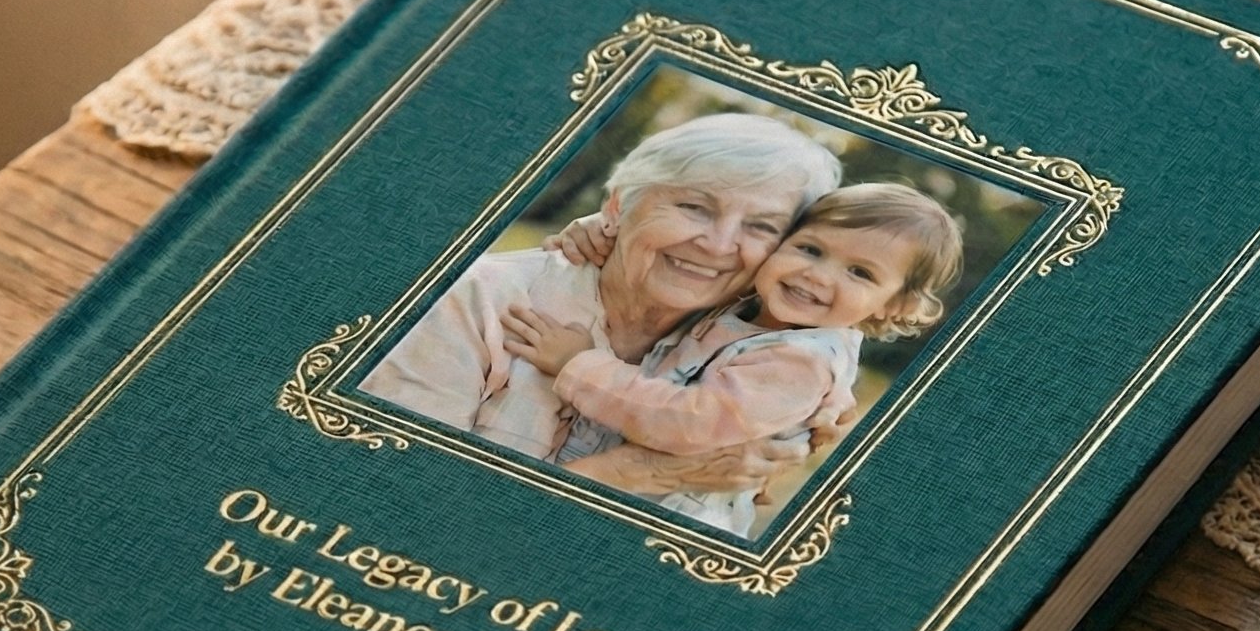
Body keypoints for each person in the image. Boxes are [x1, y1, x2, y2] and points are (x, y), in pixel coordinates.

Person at [358, 113, 842, 495]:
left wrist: (824, 400)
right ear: (615, 206)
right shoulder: (481, 296)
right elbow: (401, 486)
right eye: (693, 207)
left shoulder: (763, 357)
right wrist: (640, 472)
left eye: (762, 227)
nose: (718, 244)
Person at [502, 182, 964, 534]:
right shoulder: (759, 307)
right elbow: (687, 254)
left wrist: (577, 366)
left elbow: (688, 423)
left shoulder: (798, 362)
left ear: (894, 307)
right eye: (810, 249)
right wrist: (602, 229)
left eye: (860, 273)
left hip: (662, 517)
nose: (815, 275)